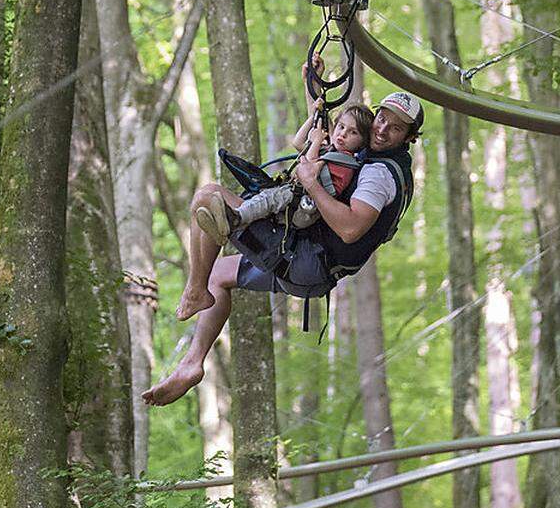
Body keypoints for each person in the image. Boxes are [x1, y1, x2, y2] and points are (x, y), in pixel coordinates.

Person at [142, 89, 424, 407]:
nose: (384, 128)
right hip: (312, 264)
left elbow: (349, 229)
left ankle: (194, 291)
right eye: (383, 118)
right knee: (217, 273)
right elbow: (322, 140)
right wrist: (312, 89)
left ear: (409, 137)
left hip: (305, 260)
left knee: (208, 197)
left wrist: (310, 182)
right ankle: (192, 364)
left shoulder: (378, 174)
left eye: (396, 127)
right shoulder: (377, 159)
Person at [195, 100, 374, 243]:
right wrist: (312, 118)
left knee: (270, 198)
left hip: (305, 207)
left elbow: (307, 167)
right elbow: (298, 143)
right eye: (341, 127)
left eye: (352, 133)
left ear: (362, 142)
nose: (343, 134)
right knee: (267, 195)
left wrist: (317, 141)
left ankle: (236, 219)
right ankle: (223, 228)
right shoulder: (331, 151)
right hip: (296, 197)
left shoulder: (345, 162)